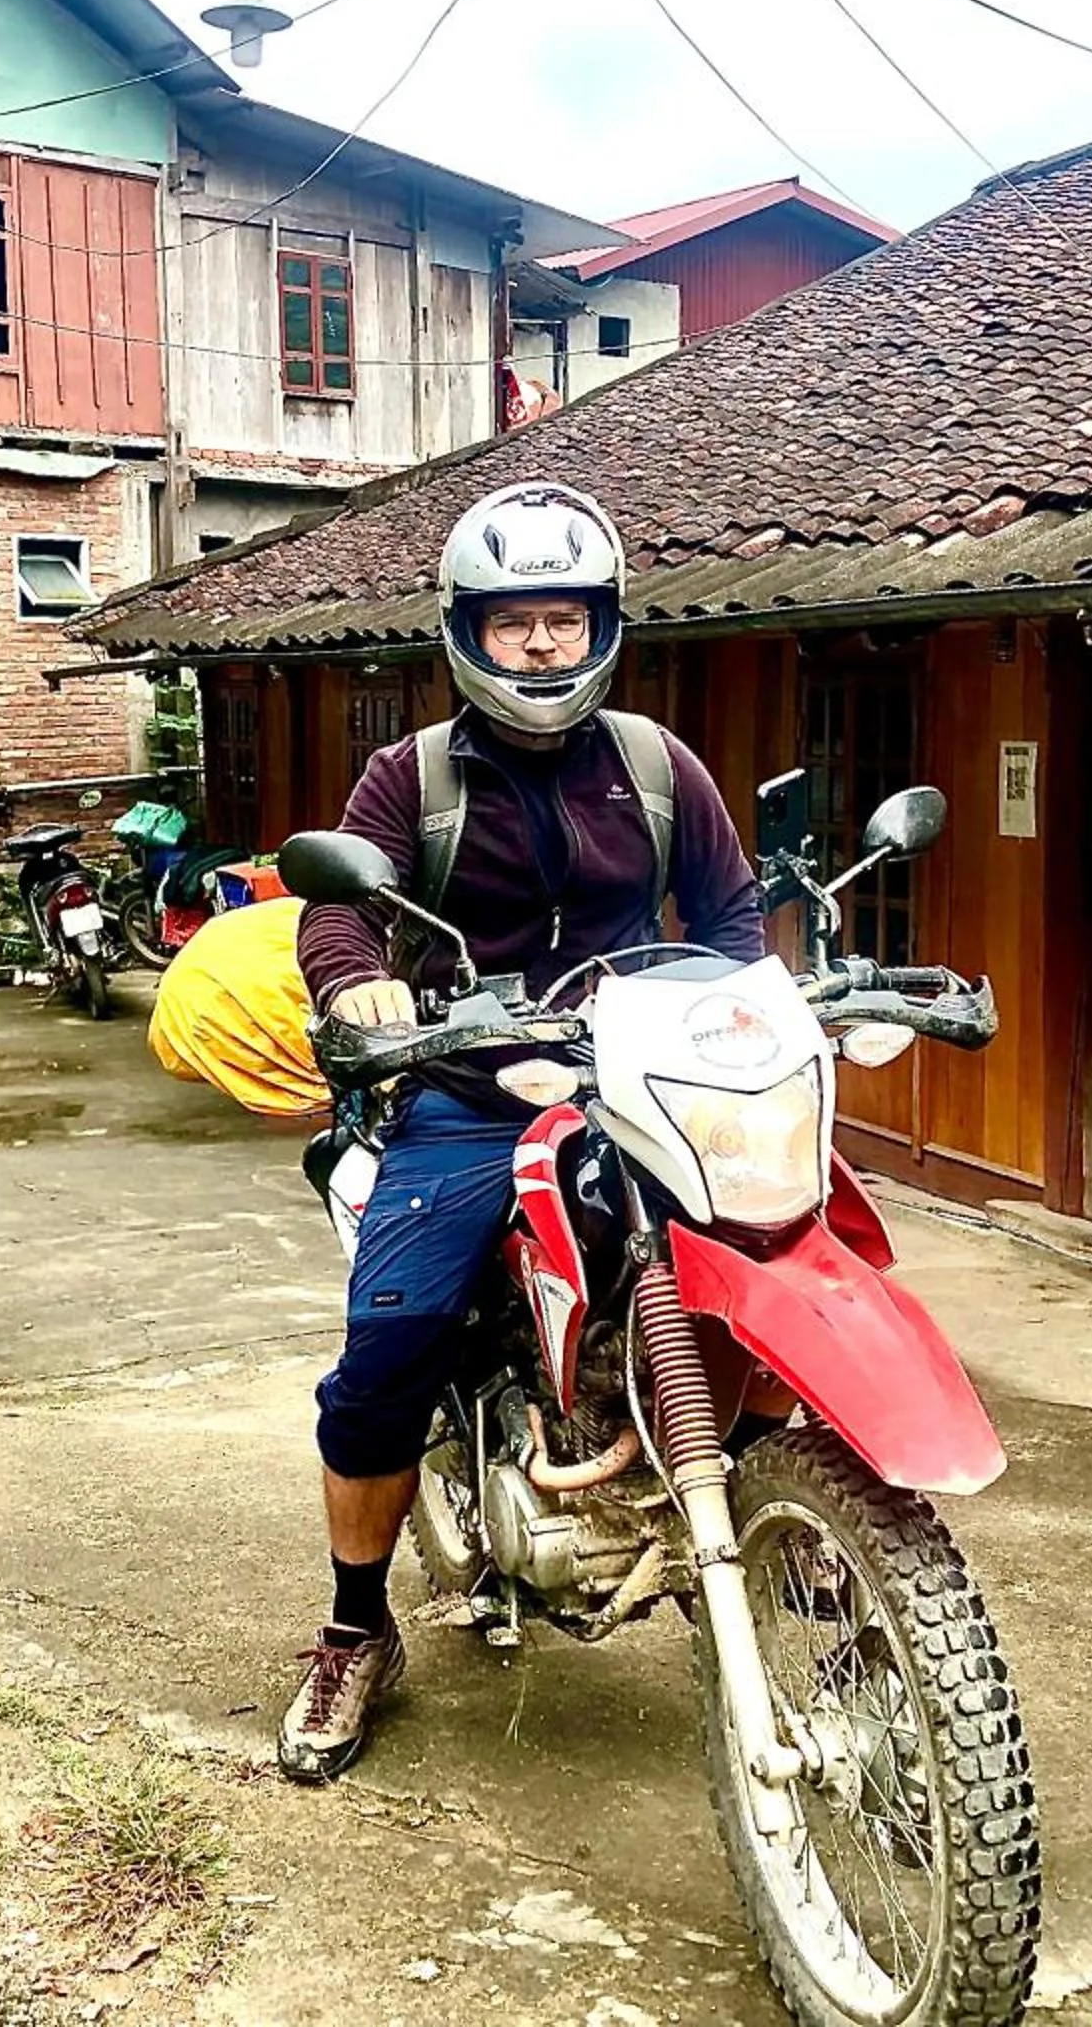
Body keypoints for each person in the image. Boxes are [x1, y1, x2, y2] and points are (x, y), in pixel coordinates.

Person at [277, 480, 768, 1782]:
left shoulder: (660, 768)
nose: (544, 644)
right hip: (465, 1092)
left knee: (760, 1282)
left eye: (564, 616)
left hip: (635, 1084)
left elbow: (731, 926)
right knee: (385, 1350)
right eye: (516, 622)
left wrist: (735, 1009)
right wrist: (357, 981)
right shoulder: (414, 777)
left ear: (601, 625)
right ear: (468, 633)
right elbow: (332, 910)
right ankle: (352, 1627)